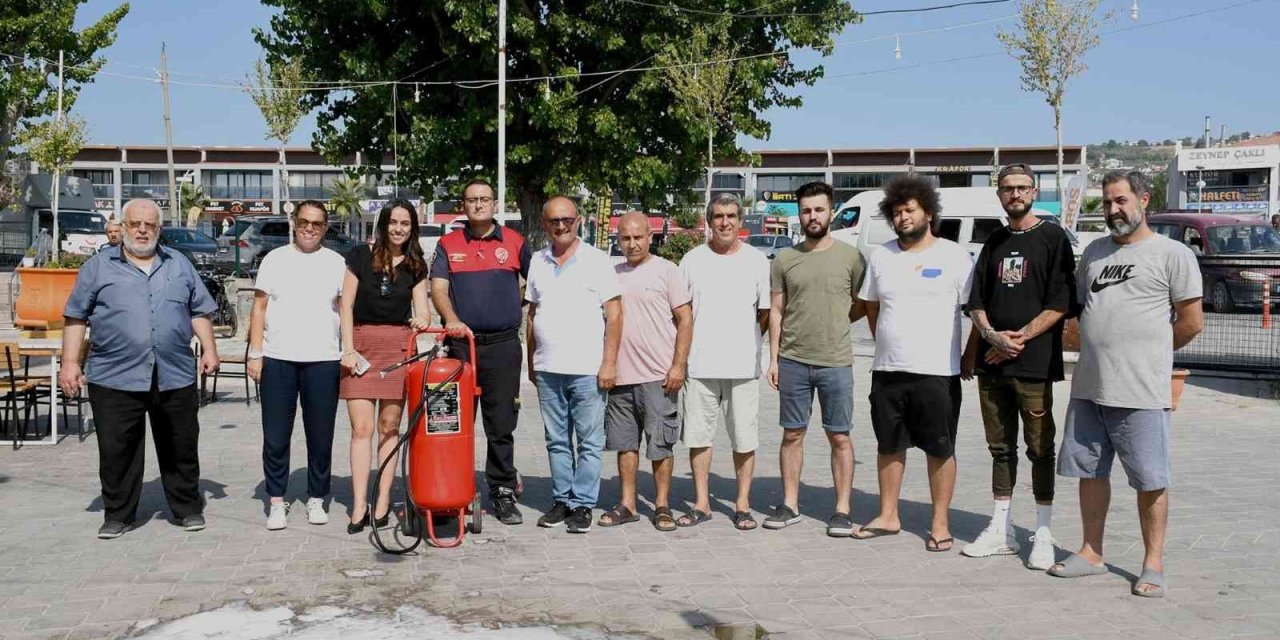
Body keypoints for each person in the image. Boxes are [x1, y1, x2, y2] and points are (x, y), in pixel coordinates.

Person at [1050, 170, 1203, 598]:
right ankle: (1091, 552)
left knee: (1150, 479)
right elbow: (1083, 312)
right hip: (1088, 388)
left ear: (1143, 200)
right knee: (1089, 473)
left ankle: (1152, 563)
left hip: (1141, 392)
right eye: (1108, 202)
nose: (1113, 210)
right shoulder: (1095, 253)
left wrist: (1151, 353)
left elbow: (1191, 322)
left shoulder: (1172, 254)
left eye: (1121, 201)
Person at [59, 198, 220, 539]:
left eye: (150, 225)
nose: (143, 231)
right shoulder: (98, 267)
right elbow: (75, 315)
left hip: (174, 372)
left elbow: (199, 310)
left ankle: (187, 508)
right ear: (123, 226)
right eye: (136, 224)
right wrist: (70, 363)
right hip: (114, 374)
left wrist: (209, 349)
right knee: (118, 449)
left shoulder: (179, 264)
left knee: (181, 445)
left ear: (159, 229)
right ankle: (118, 514)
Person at [960, 165, 1076, 569]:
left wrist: (1017, 339)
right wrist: (991, 338)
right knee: (1000, 448)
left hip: (1034, 366)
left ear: (1034, 191)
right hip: (993, 368)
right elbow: (976, 302)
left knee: (1040, 447)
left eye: (1022, 188)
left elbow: (1061, 303)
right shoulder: (993, 241)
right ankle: (1001, 529)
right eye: (1007, 189)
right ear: (999, 194)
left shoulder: (1052, 238)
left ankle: (1042, 531)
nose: (1015, 194)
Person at [853, 175, 973, 552]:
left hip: (938, 372)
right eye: (897, 212)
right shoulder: (881, 256)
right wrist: (885, 340)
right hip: (888, 370)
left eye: (910, 210)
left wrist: (969, 357)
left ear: (928, 213)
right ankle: (888, 515)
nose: (903, 217)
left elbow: (976, 311)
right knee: (889, 445)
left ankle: (940, 522)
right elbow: (871, 305)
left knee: (940, 448)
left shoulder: (954, 256)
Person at [765, 181, 867, 536]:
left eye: (819, 209)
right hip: (793, 360)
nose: (812, 216)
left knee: (839, 436)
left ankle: (841, 509)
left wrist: (836, 322)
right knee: (792, 434)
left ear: (830, 212)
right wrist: (774, 358)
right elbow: (776, 311)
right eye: (806, 210)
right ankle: (790, 503)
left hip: (836, 362)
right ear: (799, 213)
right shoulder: (784, 259)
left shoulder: (851, 258)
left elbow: (860, 304)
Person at [430, 179, 531, 526]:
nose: (478, 205)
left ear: (495, 203)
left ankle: (502, 490)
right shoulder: (448, 244)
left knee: (501, 423)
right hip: (461, 346)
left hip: (503, 347)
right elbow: (438, 289)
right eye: (472, 200)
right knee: (451, 424)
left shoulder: (516, 243)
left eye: (484, 199)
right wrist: (453, 319)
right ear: (464, 205)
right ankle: (450, 493)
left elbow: (534, 287)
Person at [246, 200, 347, 530]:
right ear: (293, 221)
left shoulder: (336, 262)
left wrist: (348, 350)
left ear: (325, 226)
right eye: (304, 221)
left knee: (320, 435)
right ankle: (277, 500)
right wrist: (255, 353)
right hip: (278, 358)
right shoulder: (274, 260)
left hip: (324, 359)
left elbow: (345, 311)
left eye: (317, 224)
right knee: (275, 436)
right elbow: (259, 308)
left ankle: (317, 497)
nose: (309, 228)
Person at [525, 196, 622, 534]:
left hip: (587, 369)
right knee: (556, 440)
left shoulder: (597, 261)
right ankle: (562, 499)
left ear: (578, 220)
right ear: (544, 223)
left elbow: (615, 315)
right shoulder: (538, 261)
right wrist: (531, 360)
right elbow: (532, 313)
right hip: (548, 367)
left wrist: (609, 363)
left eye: (567, 219)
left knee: (590, 440)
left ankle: (582, 504)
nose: (561, 225)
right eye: (554, 220)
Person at [339, 199, 432, 534]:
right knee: (361, 430)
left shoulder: (416, 265)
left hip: (397, 348)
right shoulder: (359, 256)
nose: (398, 229)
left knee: (389, 427)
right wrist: (347, 349)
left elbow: (424, 311)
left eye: (405, 223)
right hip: (361, 348)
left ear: (412, 228)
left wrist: (421, 319)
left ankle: (382, 502)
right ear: (383, 224)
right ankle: (359, 504)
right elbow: (346, 305)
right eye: (393, 222)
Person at [678, 193, 770, 530]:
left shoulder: (757, 261)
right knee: (699, 437)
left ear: (741, 220)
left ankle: (742, 504)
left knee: (744, 438)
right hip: (699, 365)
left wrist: (746, 340)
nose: (725, 222)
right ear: (708, 220)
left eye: (731, 215)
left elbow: (764, 312)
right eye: (718, 216)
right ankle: (701, 503)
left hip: (743, 367)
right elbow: (681, 312)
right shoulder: (691, 261)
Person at [598, 212, 692, 531]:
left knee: (660, 444)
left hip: (659, 376)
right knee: (625, 444)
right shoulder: (611, 275)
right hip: (621, 377)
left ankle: (662, 504)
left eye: (638, 237)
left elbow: (686, 320)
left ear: (650, 237)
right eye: (626, 238)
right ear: (618, 239)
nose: (632, 243)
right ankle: (628, 503)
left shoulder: (667, 271)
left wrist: (678, 365)